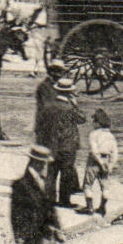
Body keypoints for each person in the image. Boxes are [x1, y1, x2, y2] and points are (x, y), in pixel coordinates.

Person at [35, 76, 85, 208]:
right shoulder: (69, 109)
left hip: (52, 145)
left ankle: (49, 199)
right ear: (69, 93)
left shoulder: (48, 106)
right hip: (67, 145)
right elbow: (82, 119)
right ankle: (64, 200)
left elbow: (41, 124)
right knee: (66, 174)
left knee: (51, 173)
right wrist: (75, 104)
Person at [80, 108, 119, 217]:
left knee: (88, 184)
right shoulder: (111, 136)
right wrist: (110, 164)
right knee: (105, 186)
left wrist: (99, 161)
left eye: (94, 121)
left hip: (94, 161)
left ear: (98, 123)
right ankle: (102, 207)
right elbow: (115, 152)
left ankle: (90, 207)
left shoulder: (94, 134)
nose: (93, 124)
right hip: (106, 159)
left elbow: (94, 150)